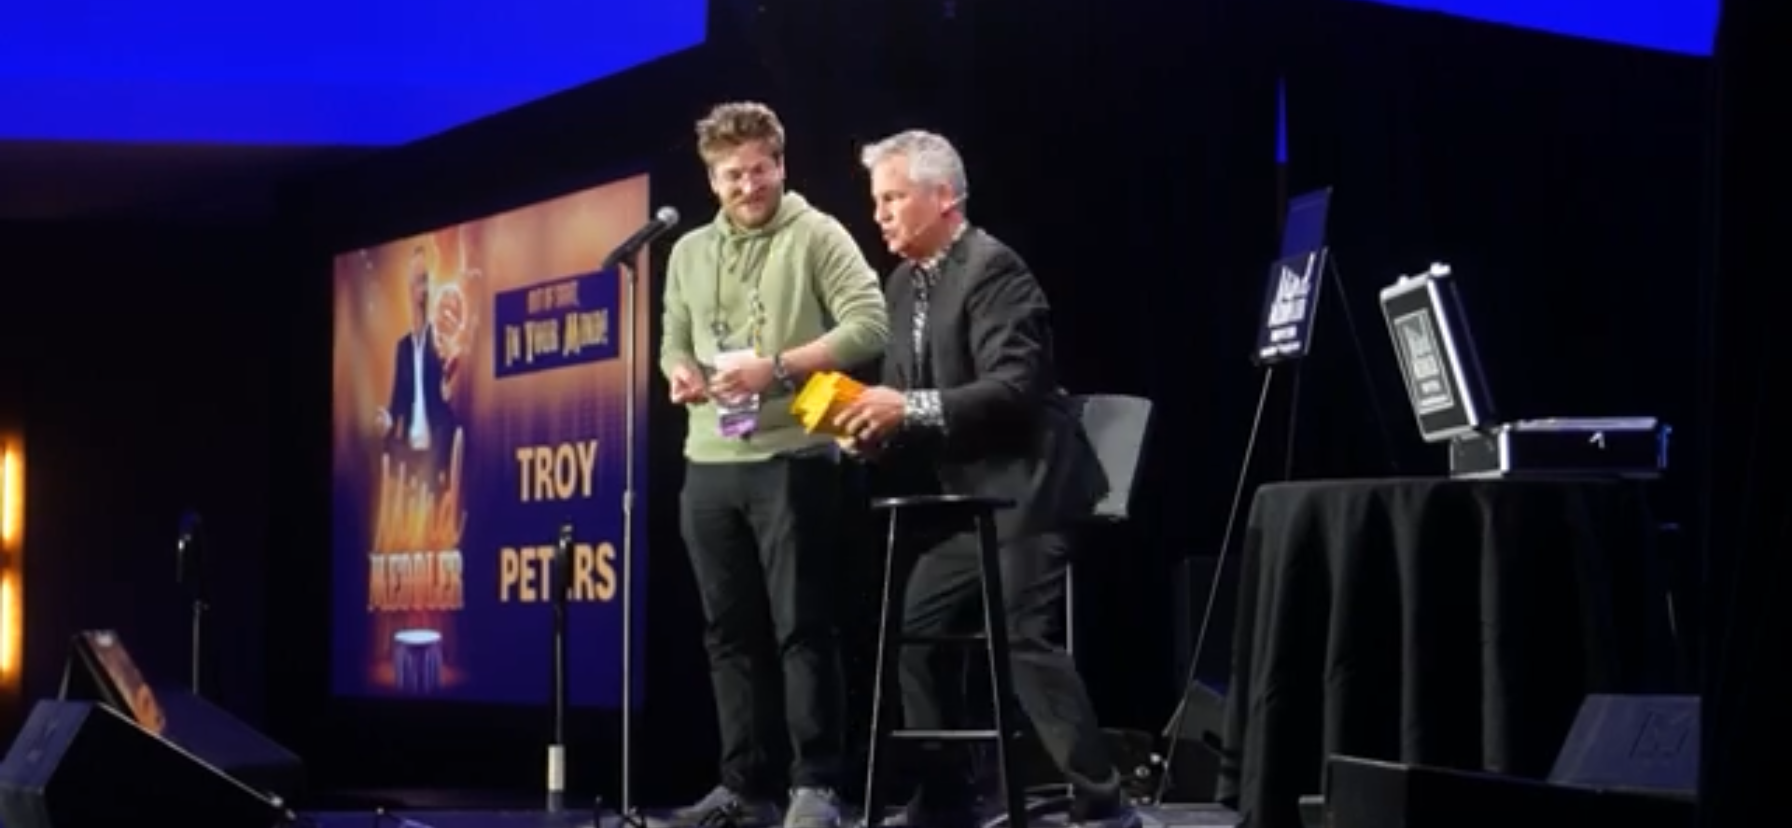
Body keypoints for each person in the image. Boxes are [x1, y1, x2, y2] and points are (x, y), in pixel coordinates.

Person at [835, 130, 1139, 828]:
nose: (879, 214)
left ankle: (1103, 801)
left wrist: (905, 408)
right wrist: (872, 430)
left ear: (943, 196)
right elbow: (908, 394)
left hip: (1030, 488)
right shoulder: (903, 285)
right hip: (970, 501)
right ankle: (948, 795)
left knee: (1022, 636)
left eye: (893, 198)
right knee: (915, 629)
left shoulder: (995, 270)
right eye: (877, 200)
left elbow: (1014, 388)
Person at [657, 101, 890, 828]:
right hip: (708, 459)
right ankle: (743, 785)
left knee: (803, 626)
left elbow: (870, 323)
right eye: (733, 175)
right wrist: (678, 371)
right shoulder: (688, 251)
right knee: (727, 632)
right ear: (712, 180)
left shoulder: (816, 233)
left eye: (760, 170)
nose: (749, 186)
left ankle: (817, 784)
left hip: (797, 454)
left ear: (781, 165)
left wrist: (778, 368)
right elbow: (673, 337)